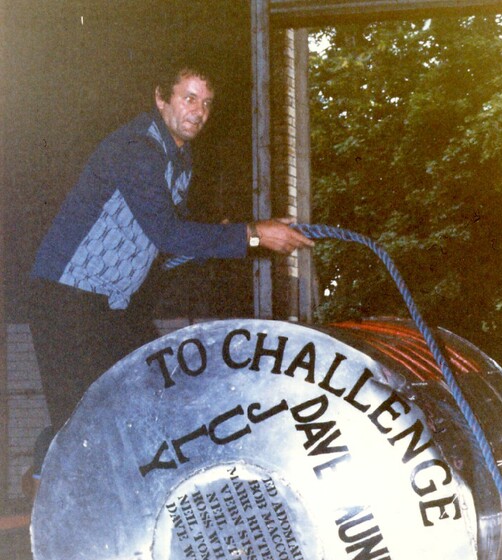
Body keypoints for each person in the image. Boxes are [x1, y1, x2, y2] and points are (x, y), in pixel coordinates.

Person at [27, 60, 313, 491]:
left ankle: (66, 474)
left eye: (207, 103)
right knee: (82, 420)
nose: (199, 112)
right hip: (65, 296)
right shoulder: (138, 149)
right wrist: (252, 234)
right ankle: (41, 483)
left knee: (142, 398)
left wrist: (224, 239)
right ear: (161, 99)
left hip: (109, 305)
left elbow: (162, 247)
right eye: (189, 98)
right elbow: (167, 232)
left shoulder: (179, 161)